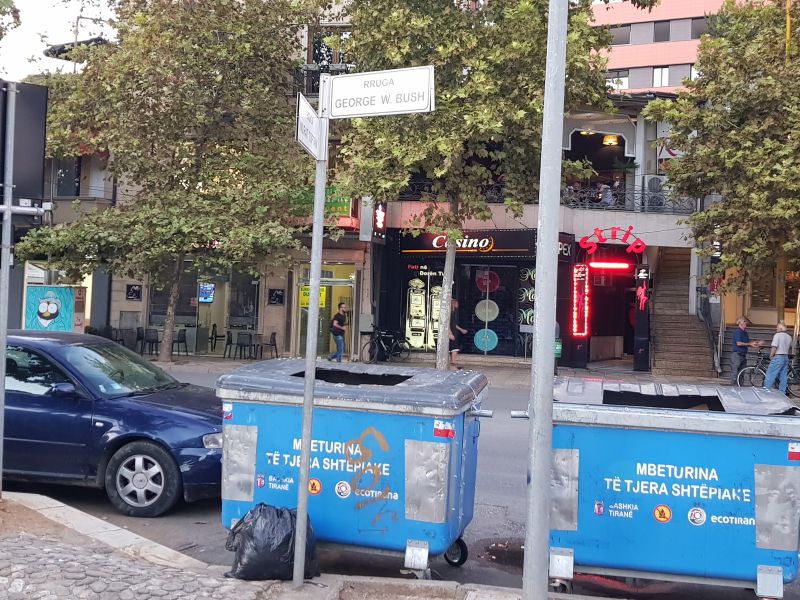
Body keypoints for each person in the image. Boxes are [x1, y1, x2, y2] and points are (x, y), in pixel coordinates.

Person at [763, 321, 793, 394]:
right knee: (783, 376)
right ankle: (782, 393)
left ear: (780, 328)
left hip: (778, 356)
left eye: (777, 327)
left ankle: (765, 392)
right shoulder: (789, 337)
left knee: (770, 374)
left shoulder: (777, 335)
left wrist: (771, 355)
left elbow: (774, 347)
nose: (776, 329)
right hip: (785, 357)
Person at [730, 316, 760, 385]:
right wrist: (750, 343)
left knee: (742, 373)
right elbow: (739, 343)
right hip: (737, 355)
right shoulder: (738, 332)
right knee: (735, 373)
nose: (746, 322)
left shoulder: (745, 333)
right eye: (744, 321)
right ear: (740, 323)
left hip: (743, 354)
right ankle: (733, 389)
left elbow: (746, 344)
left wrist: (754, 344)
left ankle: (740, 388)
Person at [448, 299, 468, 370]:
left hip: (454, 332)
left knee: (453, 349)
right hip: (451, 333)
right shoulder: (450, 313)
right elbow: (447, 324)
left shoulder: (454, 312)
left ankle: (453, 364)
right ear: (454, 303)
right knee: (454, 349)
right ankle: (453, 365)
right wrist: (449, 333)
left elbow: (454, 324)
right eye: (457, 303)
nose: (458, 305)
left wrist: (461, 330)